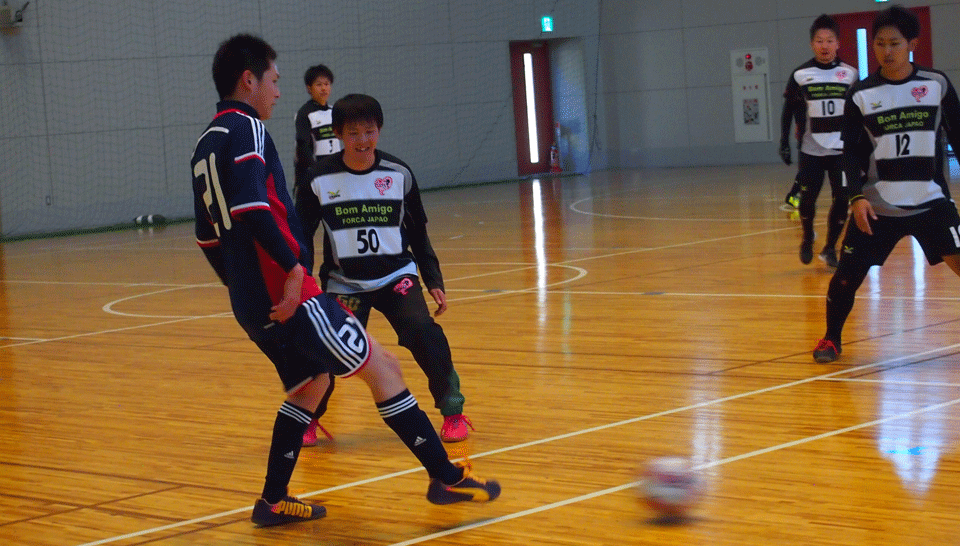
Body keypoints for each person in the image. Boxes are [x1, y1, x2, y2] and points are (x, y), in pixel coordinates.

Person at [191, 34, 500, 527]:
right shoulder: (247, 127)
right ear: (248, 80)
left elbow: (207, 235)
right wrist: (293, 271)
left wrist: (241, 287)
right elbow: (252, 208)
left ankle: (273, 502)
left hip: (250, 303)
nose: (278, 91)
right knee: (385, 368)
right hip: (289, 293)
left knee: (311, 386)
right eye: (273, 80)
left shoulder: (207, 141)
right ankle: (445, 477)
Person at [299, 93, 474, 447]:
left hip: (397, 277)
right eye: (353, 133)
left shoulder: (399, 174)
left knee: (424, 332)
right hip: (344, 284)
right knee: (324, 349)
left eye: (369, 131)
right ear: (338, 134)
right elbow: (301, 236)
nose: (362, 141)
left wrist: (433, 279)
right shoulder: (317, 179)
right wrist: (301, 286)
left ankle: (453, 412)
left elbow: (418, 232)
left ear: (379, 129)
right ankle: (308, 420)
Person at [812, 5, 960, 363]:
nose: (886, 51)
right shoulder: (861, 94)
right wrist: (856, 197)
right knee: (846, 277)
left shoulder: (936, 84)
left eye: (894, 43)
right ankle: (831, 339)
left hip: (931, 201)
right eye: (880, 43)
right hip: (877, 207)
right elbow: (849, 154)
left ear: (912, 44)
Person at [779, 14, 857, 268]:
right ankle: (806, 236)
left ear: (838, 44)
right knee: (807, 199)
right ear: (812, 44)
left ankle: (830, 248)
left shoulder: (850, 74)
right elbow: (788, 110)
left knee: (842, 199)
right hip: (811, 150)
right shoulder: (801, 75)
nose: (825, 46)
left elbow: (859, 111)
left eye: (829, 40)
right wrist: (784, 141)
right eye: (819, 41)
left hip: (841, 150)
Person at [294, 64, 341, 276]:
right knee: (304, 232)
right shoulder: (305, 114)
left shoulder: (336, 113)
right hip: (311, 179)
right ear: (309, 88)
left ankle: (333, 274)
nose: (324, 88)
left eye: (327, 84)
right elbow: (303, 146)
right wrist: (314, 174)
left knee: (334, 229)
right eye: (319, 84)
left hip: (335, 179)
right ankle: (305, 276)